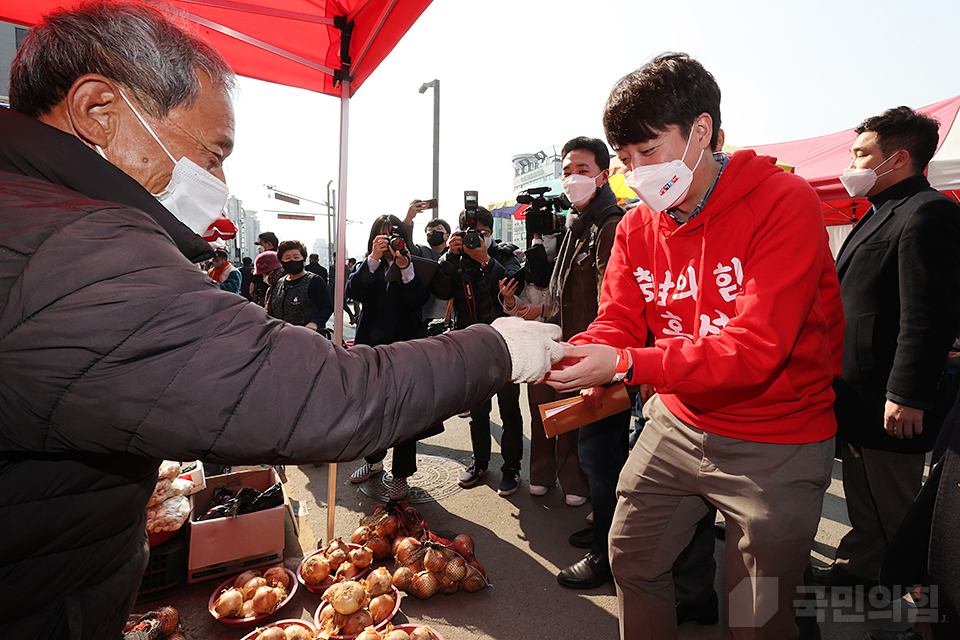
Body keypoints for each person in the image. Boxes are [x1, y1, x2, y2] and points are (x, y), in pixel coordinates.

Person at [0, 4, 564, 637]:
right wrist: (496, 346)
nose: (217, 179)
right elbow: (323, 398)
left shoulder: (35, 211)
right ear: (98, 111)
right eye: (212, 153)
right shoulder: (76, 251)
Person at [545, 53, 844, 640]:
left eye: (649, 153)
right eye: (625, 161)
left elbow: (757, 348)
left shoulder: (785, 203)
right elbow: (619, 322)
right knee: (632, 557)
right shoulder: (635, 227)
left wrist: (629, 364)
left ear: (701, 132)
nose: (636, 175)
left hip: (778, 434)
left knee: (758, 612)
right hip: (677, 421)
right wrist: (571, 353)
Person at [814, 108, 960, 597]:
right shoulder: (878, 212)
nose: (850, 162)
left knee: (896, 502)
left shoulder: (927, 211)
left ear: (897, 159)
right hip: (857, 391)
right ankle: (862, 565)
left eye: (861, 153)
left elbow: (927, 316)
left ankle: (912, 600)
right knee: (862, 492)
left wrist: (908, 394)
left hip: (890, 396)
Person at [548, 136, 633, 590]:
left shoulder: (610, 222)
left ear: (604, 173)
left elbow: (611, 302)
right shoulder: (581, 221)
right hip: (582, 351)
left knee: (601, 457)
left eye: (582, 168)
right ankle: (604, 527)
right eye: (566, 170)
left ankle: (609, 553)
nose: (572, 178)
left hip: (603, 358)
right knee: (597, 455)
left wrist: (600, 364)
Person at [433, 205, 526, 496]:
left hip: (506, 343)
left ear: (491, 233)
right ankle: (480, 462)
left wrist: (485, 259)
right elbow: (440, 291)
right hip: (471, 345)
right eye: (472, 234)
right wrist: (450, 256)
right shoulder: (455, 258)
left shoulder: (503, 254)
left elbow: (513, 284)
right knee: (478, 409)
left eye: (482, 233)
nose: (477, 238)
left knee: (510, 408)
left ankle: (512, 467)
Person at [346, 216, 437, 500]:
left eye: (393, 236)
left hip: (407, 349)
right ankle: (373, 461)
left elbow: (419, 301)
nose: (388, 242)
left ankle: (401, 476)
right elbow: (354, 291)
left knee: (405, 414)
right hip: (371, 349)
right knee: (373, 410)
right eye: (382, 236)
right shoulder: (367, 265)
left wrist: (405, 268)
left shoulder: (414, 263)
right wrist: (373, 259)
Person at [500, 229, 590, 510]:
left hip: (569, 348)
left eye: (548, 234)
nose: (541, 242)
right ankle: (540, 473)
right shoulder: (525, 270)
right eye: (537, 235)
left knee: (569, 418)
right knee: (540, 416)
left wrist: (541, 312)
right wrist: (512, 302)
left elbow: (577, 306)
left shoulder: (573, 265)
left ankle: (572, 481)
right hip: (535, 354)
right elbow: (517, 311)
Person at [266, 239, 334, 333]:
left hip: (308, 338)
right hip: (280, 338)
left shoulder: (314, 281)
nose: (292, 261)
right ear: (281, 262)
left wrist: (315, 323)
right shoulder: (279, 283)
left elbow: (327, 307)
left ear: (304, 259)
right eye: (287, 258)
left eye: (296, 257)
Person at [250, 230, 279, 299]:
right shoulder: (280, 258)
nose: (259, 247)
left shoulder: (271, 260)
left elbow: (256, 279)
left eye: (261, 244)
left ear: (269, 244)